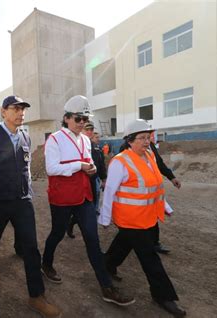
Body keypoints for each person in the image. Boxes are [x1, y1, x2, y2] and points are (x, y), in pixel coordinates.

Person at [42, 95, 134, 306]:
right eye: (78, 118)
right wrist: (79, 165)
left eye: (85, 119)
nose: (82, 122)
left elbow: (89, 162)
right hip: (62, 198)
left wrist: (91, 167)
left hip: (84, 197)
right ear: (66, 118)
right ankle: (46, 263)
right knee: (57, 233)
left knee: (92, 240)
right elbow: (51, 168)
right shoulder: (54, 139)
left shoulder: (84, 139)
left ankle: (106, 287)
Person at [0, 95, 61, 318]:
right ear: (4, 112)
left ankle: (36, 296)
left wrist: (29, 190)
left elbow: (27, 168)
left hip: (22, 201)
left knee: (31, 249)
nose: (21, 113)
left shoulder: (25, 136)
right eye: (15, 108)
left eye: (23, 109)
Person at [99, 119, 186, 317]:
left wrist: (165, 206)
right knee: (149, 257)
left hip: (147, 216)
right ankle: (163, 296)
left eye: (149, 137)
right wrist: (105, 218)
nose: (147, 142)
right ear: (130, 140)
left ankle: (106, 266)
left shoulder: (150, 157)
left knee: (123, 244)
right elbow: (110, 191)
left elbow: (153, 187)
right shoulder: (120, 161)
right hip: (130, 218)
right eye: (142, 138)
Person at [67, 123, 107, 238]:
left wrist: (103, 178)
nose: (89, 131)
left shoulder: (96, 147)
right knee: (78, 208)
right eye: (87, 129)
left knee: (91, 207)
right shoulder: (76, 146)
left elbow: (101, 164)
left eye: (91, 129)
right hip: (78, 183)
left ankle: (89, 234)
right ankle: (71, 223)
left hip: (93, 181)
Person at [149, 132, 181, 254]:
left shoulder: (151, 147)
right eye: (145, 136)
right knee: (134, 227)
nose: (149, 139)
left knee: (153, 217)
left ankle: (154, 243)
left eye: (149, 136)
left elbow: (160, 164)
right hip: (137, 194)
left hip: (152, 190)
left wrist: (172, 177)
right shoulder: (126, 149)